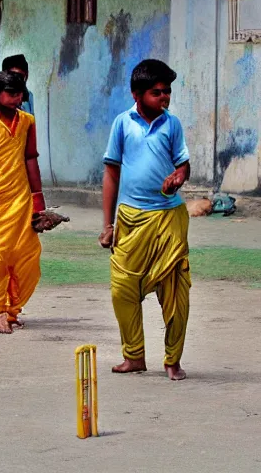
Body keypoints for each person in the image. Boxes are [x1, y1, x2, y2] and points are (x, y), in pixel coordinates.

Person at [99, 59, 191, 381]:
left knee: (176, 292)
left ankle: (172, 361)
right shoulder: (122, 124)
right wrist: (108, 224)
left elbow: (183, 165)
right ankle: (133, 356)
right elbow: (111, 173)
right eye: (157, 92)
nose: (164, 98)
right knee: (121, 289)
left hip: (169, 219)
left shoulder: (172, 124)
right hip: (131, 218)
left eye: (167, 92)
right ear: (136, 93)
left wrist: (178, 178)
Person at [0, 71, 47, 334]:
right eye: (11, 93)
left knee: (28, 257)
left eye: (19, 93)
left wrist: (40, 203)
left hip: (22, 200)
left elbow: (31, 160)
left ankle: (14, 310)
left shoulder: (28, 122)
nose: (17, 98)